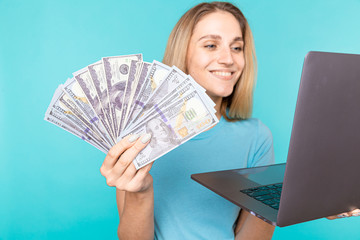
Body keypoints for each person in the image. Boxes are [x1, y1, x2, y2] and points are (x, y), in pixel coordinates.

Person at [100, 2, 359, 239]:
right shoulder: (140, 134)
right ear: (184, 55)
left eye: (236, 47)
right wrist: (140, 191)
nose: (228, 59)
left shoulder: (256, 137)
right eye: (211, 45)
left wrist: (300, 201)